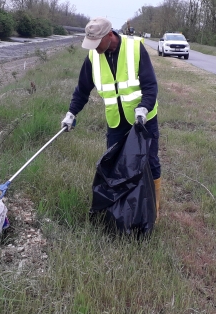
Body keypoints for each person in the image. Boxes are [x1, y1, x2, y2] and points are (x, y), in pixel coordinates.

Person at [61, 17, 162, 218]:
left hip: (143, 119)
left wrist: (143, 108)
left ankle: (153, 209)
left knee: (149, 162)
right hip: (115, 120)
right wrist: (71, 113)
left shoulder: (135, 49)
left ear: (110, 35)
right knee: (115, 165)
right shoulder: (93, 57)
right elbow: (82, 90)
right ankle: (121, 210)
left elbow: (150, 85)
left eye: (97, 43)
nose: (95, 48)